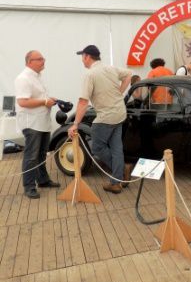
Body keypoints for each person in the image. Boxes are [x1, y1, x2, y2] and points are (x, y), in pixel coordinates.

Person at [68, 45, 132, 194]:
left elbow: (83, 102)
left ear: (87, 56)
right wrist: (119, 93)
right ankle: (117, 180)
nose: (82, 60)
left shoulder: (90, 74)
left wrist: (75, 124)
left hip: (106, 117)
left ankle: (121, 171)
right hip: (119, 113)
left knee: (97, 148)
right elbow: (129, 74)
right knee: (116, 148)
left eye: (82, 57)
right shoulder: (110, 68)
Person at [14, 50, 59, 199]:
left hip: (42, 121)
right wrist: (45, 101)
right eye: (39, 59)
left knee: (41, 154)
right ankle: (29, 186)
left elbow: (38, 97)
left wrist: (48, 99)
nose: (43, 61)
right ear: (29, 62)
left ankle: (43, 180)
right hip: (32, 122)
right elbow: (22, 101)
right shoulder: (23, 78)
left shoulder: (39, 77)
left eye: (43, 58)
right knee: (31, 156)